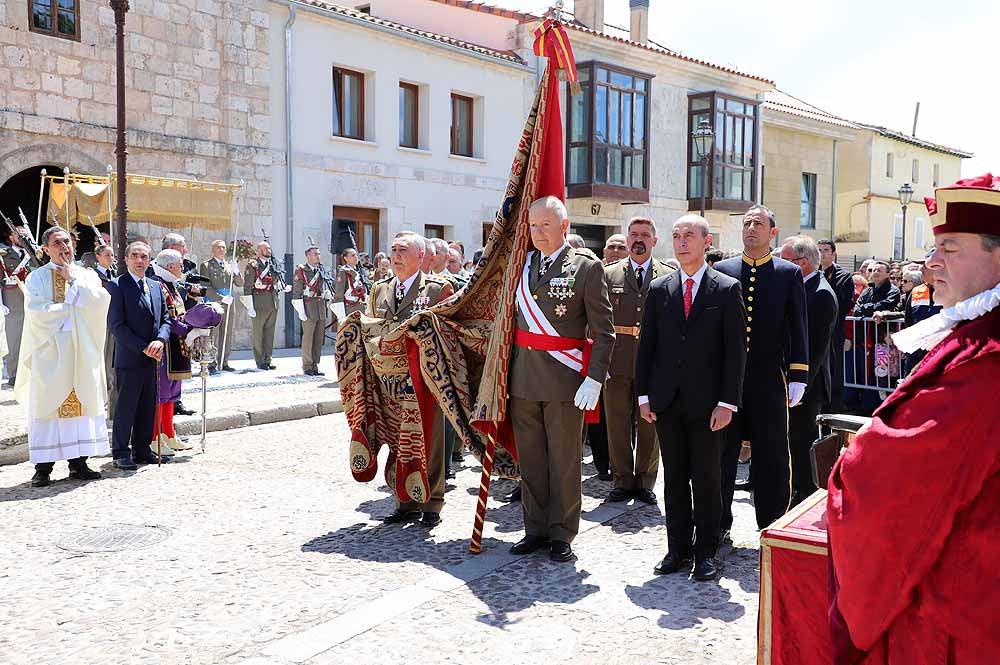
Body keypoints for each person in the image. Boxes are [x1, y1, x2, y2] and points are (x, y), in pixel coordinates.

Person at [827, 173, 1000, 663]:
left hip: (960, 606)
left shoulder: (984, 360)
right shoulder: (974, 333)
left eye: (950, 246)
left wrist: (851, 464)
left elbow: (896, 484)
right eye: (933, 247)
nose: (932, 261)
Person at [636, 215, 746, 581]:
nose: (681, 242)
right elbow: (646, 347)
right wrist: (643, 396)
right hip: (667, 401)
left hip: (709, 405)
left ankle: (706, 553)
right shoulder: (659, 288)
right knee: (675, 478)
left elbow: (735, 353)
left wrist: (727, 402)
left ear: (706, 241)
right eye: (676, 236)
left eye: (689, 236)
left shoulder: (727, 289)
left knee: (708, 479)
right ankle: (677, 549)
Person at [507, 196, 614, 563]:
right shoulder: (521, 265)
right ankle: (535, 528)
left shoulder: (586, 268)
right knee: (532, 461)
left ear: (564, 227)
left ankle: (562, 532)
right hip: (523, 379)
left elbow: (604, 333)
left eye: (546, 225)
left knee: (565, 461)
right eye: (533, 226)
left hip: (566, 381)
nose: (538, 233)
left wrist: (594, 378)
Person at [714, 205, 809, 534]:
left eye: (758, 224)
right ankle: (717, 523)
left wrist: (798, 374)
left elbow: (798, 328)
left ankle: (772, 524)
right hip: (728, 380)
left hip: (769, 378)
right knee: (722, 453)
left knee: (772, 454)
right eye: (746, 223)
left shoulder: (787, 273)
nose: (751, 228)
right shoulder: (723, 269)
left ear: (773, 232)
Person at [368, 232, 454, 525]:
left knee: (428, 440)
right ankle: (403, 500)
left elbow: (449, 335)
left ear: (420, 256)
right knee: (397, 439)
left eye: (403, 250)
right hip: (389, 381)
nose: (395, 256)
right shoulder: (379, 290)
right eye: (392, 250)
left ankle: (431, 503)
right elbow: (371, 331)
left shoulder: (436, 290)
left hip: (424, 381)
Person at [14, 227, 111, 487]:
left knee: (81, 405)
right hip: (51, 352)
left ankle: (79, 462)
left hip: (80, 351)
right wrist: (71, 306)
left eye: (67, 241)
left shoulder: (85, 275)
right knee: (47, 408)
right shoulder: (36, 278)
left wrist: (73, 283)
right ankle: (43, 467)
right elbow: (37, 311)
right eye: (57, 243)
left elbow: (101, 301)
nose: (64, 246)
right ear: (46, 249)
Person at [604, 217, 674, 504]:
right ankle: (621, 480)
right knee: (617, 423)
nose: (638, 239)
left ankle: (645, 480)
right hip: (616, 362)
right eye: (633, 234)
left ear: (655, 240)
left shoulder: (668, 275)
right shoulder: (608, 274)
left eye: (645, 234)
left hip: (653, 366)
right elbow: (596, 323)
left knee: (650, 424)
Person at [779, 236, 838, 504]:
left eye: (785, 260)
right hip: (793, 380)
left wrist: (798, 385)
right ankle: (794, 488)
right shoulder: (802, 287)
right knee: (791, 441)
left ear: (801, 263)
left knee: (801, 442)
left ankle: (804, 493)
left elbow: (815, 349)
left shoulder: (820, 293)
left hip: (806, 384)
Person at [107, 241, 173, 469]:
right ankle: (120, 452)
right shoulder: (117, 286)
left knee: (147, 407)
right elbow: (116, 325)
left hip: (153, 359)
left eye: (144, 256)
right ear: (126, 259)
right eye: (135, 256)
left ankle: (142, 450)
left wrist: (160, 340)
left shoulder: (155, 286)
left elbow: (165, 319)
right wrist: (143, 347)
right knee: (126, 407)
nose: (139, 260)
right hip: (130, 358)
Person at [150, 249, 194, 454]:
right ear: (169, 266)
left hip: (177, 345)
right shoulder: (157, 284)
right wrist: (187, 329)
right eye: (180, 265)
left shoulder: (171, 285)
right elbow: (165, 318)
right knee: (161, 393)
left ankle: (168, 433)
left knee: (171, 394)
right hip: (165, 345)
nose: (182, 268)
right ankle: (155, 437)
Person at [818, 239, 857, 411]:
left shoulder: (843, 276)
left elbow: (844, 304)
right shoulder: (813, 273)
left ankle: (834, 409)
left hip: (834, 331)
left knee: (834, 370)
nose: (822, 253)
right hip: (815, 330)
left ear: (833, 253)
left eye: (826, 250)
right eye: (818, 250)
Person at [200, 240, 242, 374]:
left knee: (227, 332)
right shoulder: (206, 265)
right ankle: (211, 362)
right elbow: (206, 286)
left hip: (229, 302)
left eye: (224, 248)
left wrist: (236, 271)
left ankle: (224, 361)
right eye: (219, 248)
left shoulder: (229, 266)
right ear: (213, 249)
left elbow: (240, 283)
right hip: (214, 302)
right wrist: (221, 297)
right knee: (213, 333)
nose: (222, 250)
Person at [1, 228, 35, 387]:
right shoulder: (4, 254)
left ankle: (32, 373)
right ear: (10, 237)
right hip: (13, 302)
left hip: (32, 301)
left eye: (25, 235)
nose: (22, 238)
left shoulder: (34, 253)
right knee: (14, 340)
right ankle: (14, 374)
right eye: (18, 235)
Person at [292, 244, 331, 376]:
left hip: (320, 306)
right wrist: (300, 310)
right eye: (315, 254)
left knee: (319, 338)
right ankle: (307, 365)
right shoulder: (301, 270)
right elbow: (297, 291)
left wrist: (326, 294)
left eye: (319, 254)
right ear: (308, 256)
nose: (318, 256)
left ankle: (315, 365)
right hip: (308, 306)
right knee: (308, 337)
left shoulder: (320, 270)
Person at [89, 244, 118, 416]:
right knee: (102, 359)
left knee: (111, 362)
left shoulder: (114, 274)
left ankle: (110, 395)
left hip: (113, 321)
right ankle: (102, 395)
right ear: (97, 256)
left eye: (112, 255)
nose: (111, 258)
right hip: (101, 321)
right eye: (107, 255)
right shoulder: (93, 275)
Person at [243, 241, 282, 370]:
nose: (269, 251)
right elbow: (248, 287)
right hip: (258, 303)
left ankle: (268, 359)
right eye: (266, 248)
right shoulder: (253, 265)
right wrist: (250, 306)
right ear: (259, 250)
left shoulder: (273, 265)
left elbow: (276, 281)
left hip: (272, 302)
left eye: (270, 248)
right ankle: (260, 361)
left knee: (269, 334)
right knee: (258, 334)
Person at [333, 247, 368, 316]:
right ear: (346, 258)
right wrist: (341, 314)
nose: (356, 257)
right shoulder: (343, 272)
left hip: (361, 307)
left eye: (356, 255)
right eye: (353, 255)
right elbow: (339, 294)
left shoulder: (358, 272)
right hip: (350, 308)